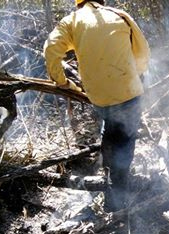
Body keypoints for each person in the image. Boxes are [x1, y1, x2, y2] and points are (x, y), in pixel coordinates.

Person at [43, 0, 150, 211]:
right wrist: (137, 74)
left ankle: (109, 168)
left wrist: (62, 81)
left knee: (110, 124)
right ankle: (116, 201)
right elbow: (143, 54)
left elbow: (50, 50)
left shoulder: (71, 21)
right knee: (125, 142)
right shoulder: (120, 15)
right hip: (128, 92)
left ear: (78, 3)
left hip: (99, 97)